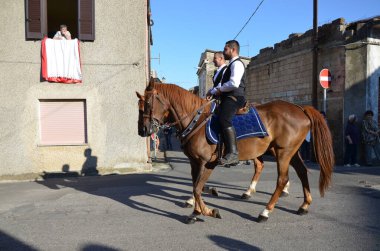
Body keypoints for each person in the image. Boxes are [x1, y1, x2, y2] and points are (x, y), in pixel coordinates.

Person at [206, 40, 246, 166]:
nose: (224, 52)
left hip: (235, 97)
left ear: (233, 50)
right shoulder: (231, 65)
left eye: (225, 50)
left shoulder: (237, 64)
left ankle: (233, 153)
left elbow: (234, 83)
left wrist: (218, 90)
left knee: (224, 119)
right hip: (228, 96)